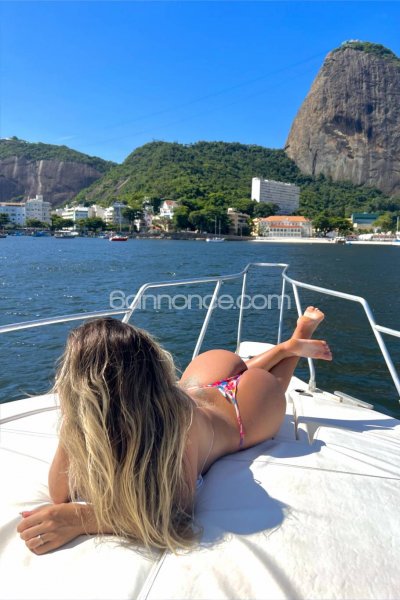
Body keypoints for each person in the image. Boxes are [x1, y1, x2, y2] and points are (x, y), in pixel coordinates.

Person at [17, 307, 331, 555]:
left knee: (273, 386)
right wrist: (74, 422)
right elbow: (61, 494)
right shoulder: (154, 406)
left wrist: (83, 519)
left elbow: (175, 512)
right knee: (243, 370)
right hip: (200, 383)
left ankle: (296, 342)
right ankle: (285, 347)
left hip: (238, 411)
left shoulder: (178, 428)